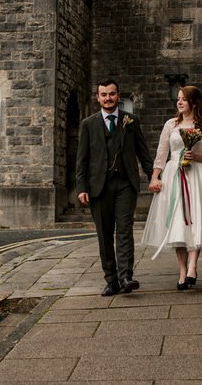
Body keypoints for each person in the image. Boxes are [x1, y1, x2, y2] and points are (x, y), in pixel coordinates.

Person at [142, 85, 202, 290]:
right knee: (177, 225)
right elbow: (161, 153)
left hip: (197, 176)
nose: (179, 102)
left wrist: (197, 156)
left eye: (183, 99)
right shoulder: (171, 124)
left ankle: (192, 267)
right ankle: (182, 271)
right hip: (174, 175)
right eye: (178, 99)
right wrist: (155, 178)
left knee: (195, 221)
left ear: (193, 102)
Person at [76, 79, 153, 296]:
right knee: (104, 234)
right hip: (98, 187)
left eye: (111, 94)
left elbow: (143, 154)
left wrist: (153, 176)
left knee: (125, 231)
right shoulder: (88, 124)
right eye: (103, 94)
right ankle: (111, 280)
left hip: (126, 184)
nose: (108, 98)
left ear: (118, 95)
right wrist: (81, 187)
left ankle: (126, 276)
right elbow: (81, 160)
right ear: (97, 97)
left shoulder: (131, 121)